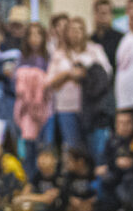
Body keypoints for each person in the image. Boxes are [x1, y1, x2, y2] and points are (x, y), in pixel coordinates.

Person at [47, 16, 112, 156]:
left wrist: (85, 75)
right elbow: (49, 82)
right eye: (71, 30)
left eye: (79, 30)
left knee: (96, 149)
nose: (75, 33)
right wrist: (68, 74)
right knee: (74, 149)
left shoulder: (95, 50)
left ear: (84, 32)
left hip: (91, 107)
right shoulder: (59, 54)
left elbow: (106, 74)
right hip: (66, 107)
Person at [13, 22, 52, 173]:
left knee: (45, 146)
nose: (34, 38)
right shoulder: (21, 58)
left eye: (38, 34)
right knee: (28, 148)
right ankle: (30, 180)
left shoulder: (49, 57)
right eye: (31, 34)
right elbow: (16, 85)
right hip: (26, 111)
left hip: (45, 110)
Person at [95, 110, 133, 211]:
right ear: (116, 125)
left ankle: (128, 207)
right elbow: (104, 160)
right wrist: (114, 163)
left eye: (128, 122)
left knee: (128, 181)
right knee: (105, 179)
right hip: (114, 173)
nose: (124, 126)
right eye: (121, 123)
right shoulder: (111, 141)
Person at [10, 146, 64, 211]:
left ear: (55, 160)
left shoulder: (60, 176)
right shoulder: (37, 175)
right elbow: (24, 192)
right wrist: (25, 197)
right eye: (40, 156)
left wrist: (27, 197)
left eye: (46, 156)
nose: (42, 160)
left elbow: (48, 199)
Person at [61, 147, 97, 211]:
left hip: (89, 205)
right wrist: (71, 199)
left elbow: (96, 193)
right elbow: (64, 192)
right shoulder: (69, 176)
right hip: (74, 206)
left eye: (70, 161)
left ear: (80, 162)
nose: (67, 164)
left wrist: (90, 200)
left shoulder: (92, 174)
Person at [90, 0, 123, 71]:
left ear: (111, 15)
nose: (102, 17)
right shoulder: (90, 40)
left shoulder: (120, 39)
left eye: (105, 13)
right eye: (99, 13)